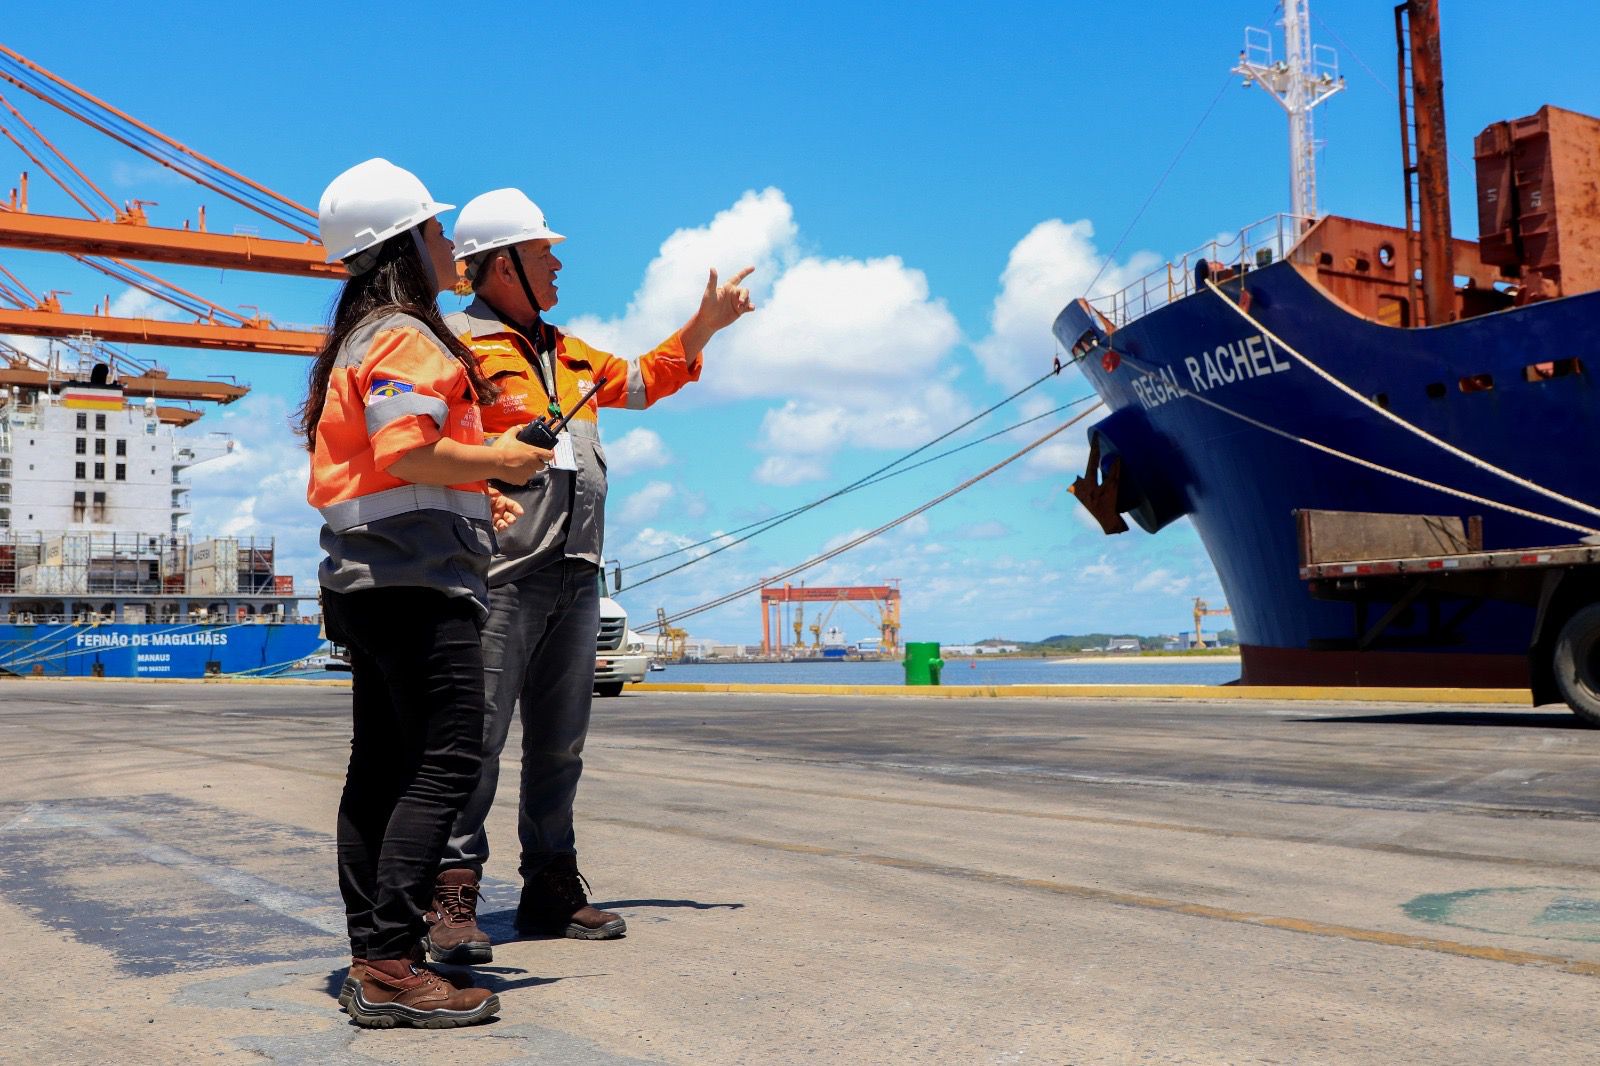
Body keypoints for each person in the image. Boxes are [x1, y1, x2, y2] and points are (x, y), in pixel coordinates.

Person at [420, 188, 754, 963]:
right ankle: (452, 892)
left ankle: (550, 883)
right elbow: (422, 443)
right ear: (501, 266)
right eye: (544, 254)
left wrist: (706, 325)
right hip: (501, 574)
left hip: (577, 571)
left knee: (561, 745)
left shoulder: (568, 352)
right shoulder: (453, 345)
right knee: (476, 739)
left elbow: (642, 380)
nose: (558, 262)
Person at [303, 159, 551, 1027]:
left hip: (366, 578)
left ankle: (375, 952)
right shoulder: (408, 333)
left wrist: (476, 490)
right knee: (446, 759)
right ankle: (390, 962)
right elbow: (408, 449)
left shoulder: (363, 336)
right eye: (436, 228)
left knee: (380, 767)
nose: (449, 240)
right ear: (403, 242)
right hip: (415, 583)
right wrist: (504, 458)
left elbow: (387, 464)